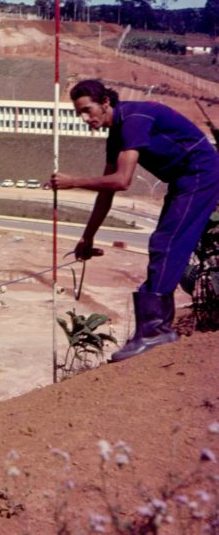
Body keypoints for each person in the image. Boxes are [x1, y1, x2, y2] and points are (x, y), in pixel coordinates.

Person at [51, 79, 219, 362]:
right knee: (164, 244)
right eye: (78, 113)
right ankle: (152, 328)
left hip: (200, 172)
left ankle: (155, 332)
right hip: (184, 178)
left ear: (106, 102)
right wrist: (87, 236)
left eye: (87, 109)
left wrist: (73, 182)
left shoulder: (133, 119)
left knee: (166, 243)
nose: (84, 118)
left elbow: (121, 180)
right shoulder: (116, 134)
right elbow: (106, 192)